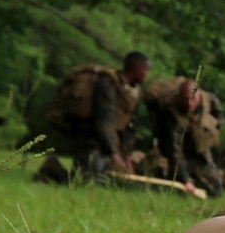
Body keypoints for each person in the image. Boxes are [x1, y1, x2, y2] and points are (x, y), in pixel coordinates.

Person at [37, 51, 151, 183]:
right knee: (84, 180)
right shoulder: (107, 83)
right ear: (135, 69)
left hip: (108, 141)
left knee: (106, 180)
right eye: (145, 70)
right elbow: (104, 119)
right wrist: (114, 153)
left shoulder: (133, 92)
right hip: (88, 134)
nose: (147, 74)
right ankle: (52, 169)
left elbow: (130, 125)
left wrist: (126, 156)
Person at [141, 77, 224, 197]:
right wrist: (186, 180)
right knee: (172, 177)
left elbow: (219, 119)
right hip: (173, 141)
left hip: (198, 140)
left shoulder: (210, 100)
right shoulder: (172, 115)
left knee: (216, 190)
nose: (189, 103)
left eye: (193, 99)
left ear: (199, 95)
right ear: (180, 97)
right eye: (185, 99)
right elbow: (175, 151)